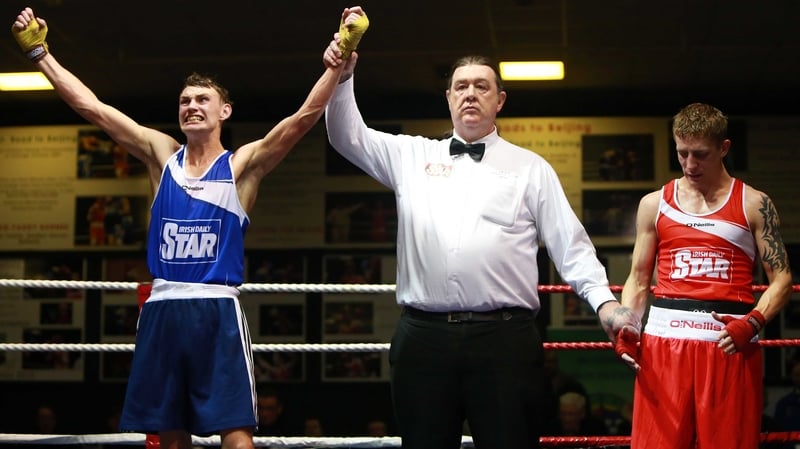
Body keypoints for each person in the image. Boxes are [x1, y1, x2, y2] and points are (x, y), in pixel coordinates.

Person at [11, 6, 366, 449]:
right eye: (185, 101)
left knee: (234, 432)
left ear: (225, 111)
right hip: (162, 308)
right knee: (169, 433)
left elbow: (303, 119)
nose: (192, 106)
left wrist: (340, 59)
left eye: (202, 100)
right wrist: (41, 54)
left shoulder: (241, 165)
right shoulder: (161, 154)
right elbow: (93, 109)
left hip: (216, 309)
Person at [323, 7, 639, 448]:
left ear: (499, 100)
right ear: (448, 97)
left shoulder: (531, 168)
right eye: (461, 86)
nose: (470, 94)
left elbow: (571, 246)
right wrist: (342, 75)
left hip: (504, 340)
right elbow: (345, 136)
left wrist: (605, 304)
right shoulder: (411, 156)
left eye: (481, 86)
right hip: (423, 338)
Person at [615, 102, 793, 449]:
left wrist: (754, 322)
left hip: (728, 343)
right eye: (682, 154)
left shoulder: (754, 203)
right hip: (664, 344)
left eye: (701, 154)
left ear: (723, 148)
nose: (690, 164)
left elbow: (783, 279)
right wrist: (628, 326)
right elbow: (638, 279)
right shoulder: (655, 203)